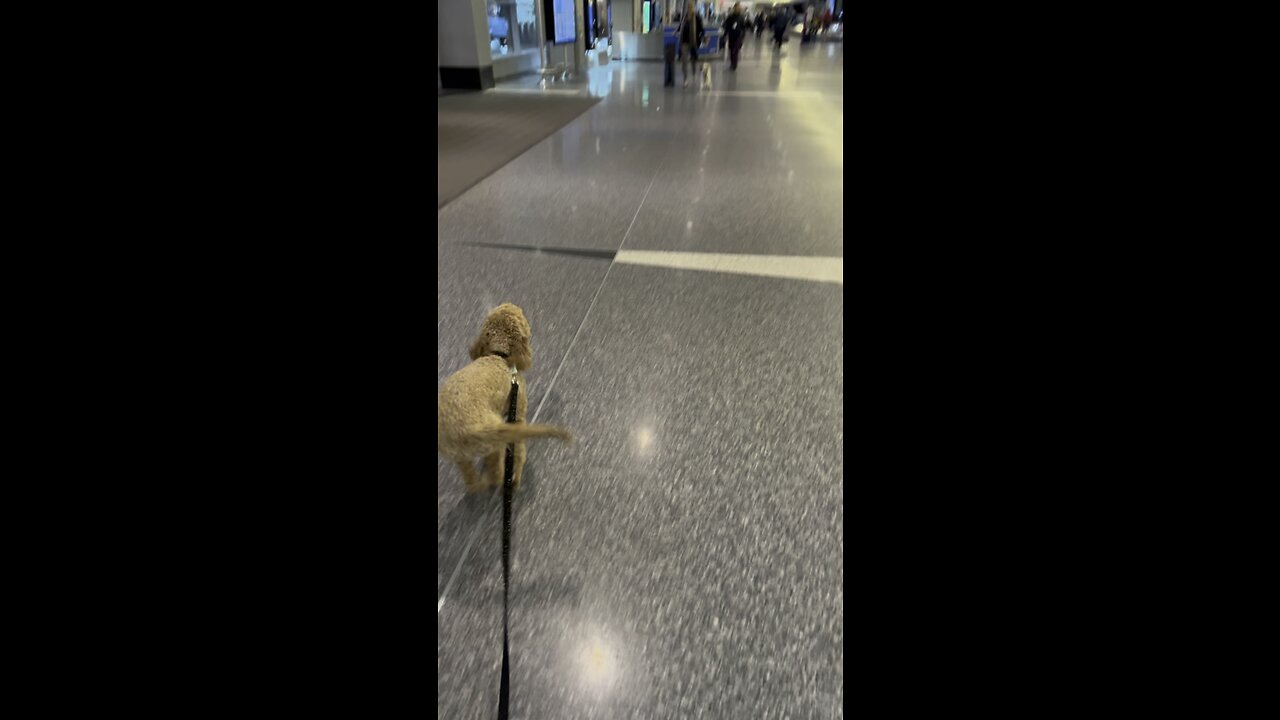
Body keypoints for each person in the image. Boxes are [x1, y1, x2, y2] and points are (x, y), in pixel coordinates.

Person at [677, 1, 704, 88]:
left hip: (693, 42)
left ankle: (693, 72)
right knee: (684, 61)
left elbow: (702, 29)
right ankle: (685, 79)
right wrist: (676, 31)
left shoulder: (697, 18)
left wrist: (701, 36)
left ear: (693, 8)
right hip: (684, 42)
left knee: (693, 60)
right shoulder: (684, 17)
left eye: (691, 7)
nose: (689, 9)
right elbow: (680, 27)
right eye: (688, 7)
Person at [721, 3, 748, 71]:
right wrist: (725, 34)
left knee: (735, 51)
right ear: (734, 8)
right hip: (731, 36)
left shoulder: (741, 17)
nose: (738, 9)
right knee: (731, 50)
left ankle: (734, 64)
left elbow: (744, 27)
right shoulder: (730, 17)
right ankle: (732, 63)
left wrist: (743, 35)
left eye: (739, 8)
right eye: (737, 8)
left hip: (738, 37)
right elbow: (726, 26)